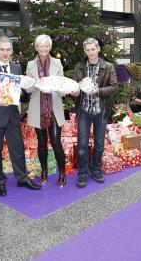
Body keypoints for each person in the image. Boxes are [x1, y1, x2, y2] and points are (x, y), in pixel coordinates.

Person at [0, 36, 41, 196]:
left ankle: (22, 178)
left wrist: (23, 91)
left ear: (11, 51)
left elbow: (19, 94)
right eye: (2, 49)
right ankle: (0, 181)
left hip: (12, 116)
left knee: (17, 148)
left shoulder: (16, 68)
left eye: (8, 49)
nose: (5, 52)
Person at [73, 38, 118, 188]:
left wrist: (98, 91)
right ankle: (82, 173)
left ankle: (95, 169)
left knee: (99, 144)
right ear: (84, 51)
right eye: (87, 50)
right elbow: (76, 87)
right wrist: (74, 91)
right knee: (82, 145)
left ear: (98, 49)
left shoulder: (108, 67)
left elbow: (114, 88)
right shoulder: (79, 66)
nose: (90, 53)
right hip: (84, 111)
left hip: (101, 111)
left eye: (93, 49)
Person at [26, 34, 67, 187]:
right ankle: (43, 170)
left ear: (50, 47)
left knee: (56, 142)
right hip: (38, 109)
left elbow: (61, 84)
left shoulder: (57, 63)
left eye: (46, 46)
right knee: (41, 144)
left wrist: (62, 90)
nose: (43, 49)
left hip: (54, 107)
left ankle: (62, 172)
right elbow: (29, 89)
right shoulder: (30, 65)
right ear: (36, 47)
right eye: (40, 46)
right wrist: (36, 84)